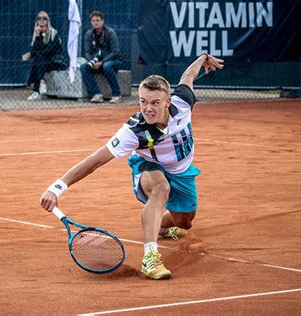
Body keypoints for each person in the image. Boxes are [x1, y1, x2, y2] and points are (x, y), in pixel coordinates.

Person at [40, 53, 224, 280]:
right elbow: (94, 161)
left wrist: (202, 58)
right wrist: (57, 188)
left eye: (155, 103)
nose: (148, 108)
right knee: (161, 189)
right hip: (149, 166)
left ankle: (162, 225)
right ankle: (150, 257)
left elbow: (188, 76)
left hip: (183, 172)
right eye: (143, 102)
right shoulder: (134, 130)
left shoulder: (183, 102)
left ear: (168, 102)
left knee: (185, 221)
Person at [22, 11, 68, 101]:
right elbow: (36, 49)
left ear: (48, 21)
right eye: (39, 18)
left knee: (38, 59)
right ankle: (41, 84)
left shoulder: (53, 33)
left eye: (44, 18)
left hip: (55, 61)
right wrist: (38, 37)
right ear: (37, 22)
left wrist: (32, 54)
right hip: (43, 61)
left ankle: (37, 90)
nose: (42, 20)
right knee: (39, 59)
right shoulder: (37, 34)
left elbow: (49, 50)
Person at [80, 11, 122, 104]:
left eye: (98, 20)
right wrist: (92, 61)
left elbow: (115, 52)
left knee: (106, 66)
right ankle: (96, 94)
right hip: (96, 61)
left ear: (103, 21)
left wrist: (102, 62)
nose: (95, 22)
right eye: (93, 20)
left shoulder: (110, 32)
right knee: (84, 67)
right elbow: (87, 52)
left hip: (113, 61)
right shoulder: (89, 34)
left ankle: (116, 94)